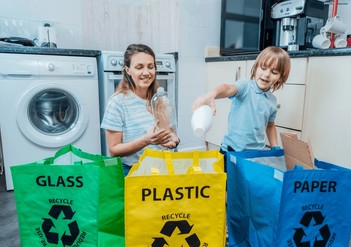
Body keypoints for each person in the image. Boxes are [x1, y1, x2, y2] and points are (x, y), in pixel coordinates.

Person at [192, 46, 291, 156]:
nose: (266, 74)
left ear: (280, 78)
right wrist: (213, 93)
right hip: (232, 150)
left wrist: (275, 147)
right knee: (229, 173)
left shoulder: (272, 100)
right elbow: (228, 88)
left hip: (256, 153)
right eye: (263, 68)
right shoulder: (245, 86)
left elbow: (270, 125)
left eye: (274, 72)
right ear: (256, 67)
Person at [101, 44, 180, 176]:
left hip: (162, 169)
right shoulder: (117, 102)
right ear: (128, 70)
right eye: (139, 67)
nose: (146, 72)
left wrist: (173, 139)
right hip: (134, 172)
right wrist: (146, 140)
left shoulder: (159, 99)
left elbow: (167, 132)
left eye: (150, 67)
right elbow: (114, 150)